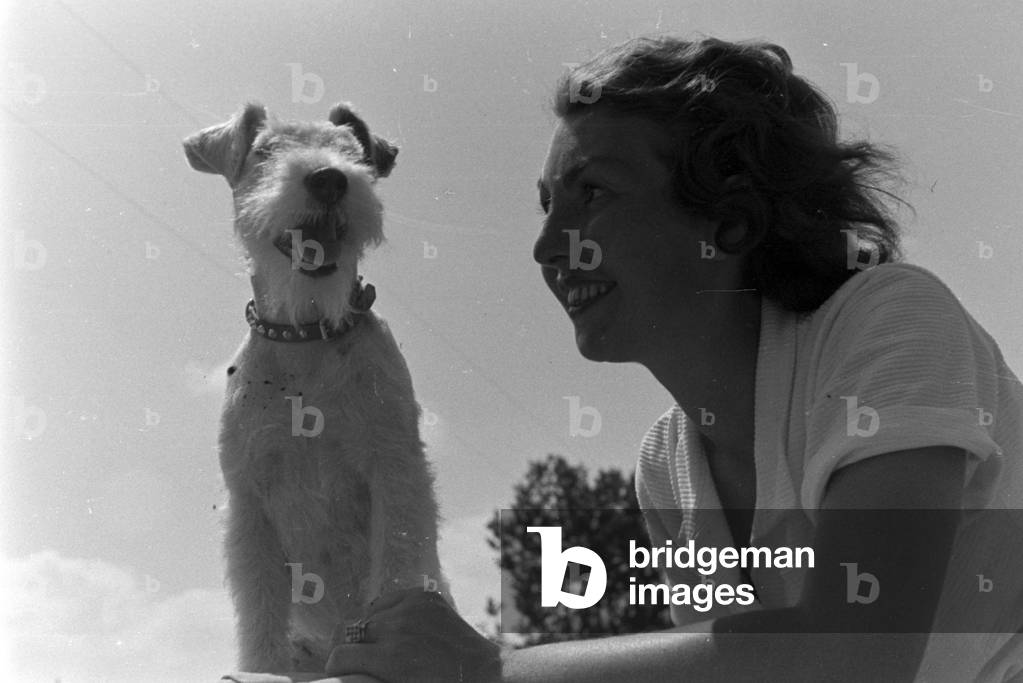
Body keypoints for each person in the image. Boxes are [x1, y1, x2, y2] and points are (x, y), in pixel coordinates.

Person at [326, 35, 1023, 682]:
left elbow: (854, 654)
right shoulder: (666, 463)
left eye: (591, 193)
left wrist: (489, 668)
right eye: (546, 205)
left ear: (729, 219)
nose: (546, 247)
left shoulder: (889, 320)